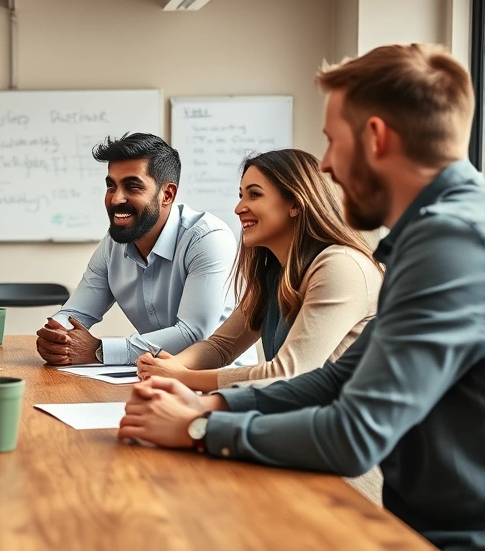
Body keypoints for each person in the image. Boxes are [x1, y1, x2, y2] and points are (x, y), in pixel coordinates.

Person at [118, 44, 485, 549]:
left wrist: (201, 426)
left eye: (333, 141)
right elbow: (341, 375)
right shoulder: (434, 236)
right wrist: (214, 402)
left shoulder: (452, 244)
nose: (328, 165)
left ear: (376, 137)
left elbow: (355, 435)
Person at [137, 149, 381, 391]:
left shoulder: (341, 267)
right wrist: (167, 366)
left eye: (254, 195)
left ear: (295, 203)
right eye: (241, 195)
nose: (239, 207)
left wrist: (182, 377)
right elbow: (221, 346)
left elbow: (288, 373)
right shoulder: (274, 273)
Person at [36, 133, 237, 365]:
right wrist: (57, 336)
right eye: (111, 186)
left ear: (167, 194)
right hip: (150, 376)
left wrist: (99, 350)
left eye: (132, 186)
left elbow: (193, 334)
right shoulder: (113, 244)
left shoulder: (208, 239)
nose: (116, 199)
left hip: (217, 383)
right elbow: (76, 314)